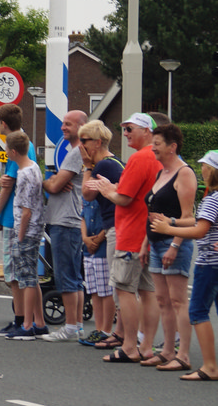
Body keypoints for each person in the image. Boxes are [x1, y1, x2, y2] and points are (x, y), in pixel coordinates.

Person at [89, 112, 162, 363]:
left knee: (124, 289)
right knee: (148, 291)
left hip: (131, 233)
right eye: (125, 129)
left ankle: (130, 346)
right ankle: (146, 346)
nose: (126, 134)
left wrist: (108, 190)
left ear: (147, 131)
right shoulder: (159, 158)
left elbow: (125, 197)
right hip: (149, 234)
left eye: (130, 129)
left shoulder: (140, 158)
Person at [150, 150, 218, 381]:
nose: (202, 170)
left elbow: (200, 230)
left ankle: (210, 367)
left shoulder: (212, 199)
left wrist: (168, 228)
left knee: (197, 311)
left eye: (205, 166)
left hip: (209, 263)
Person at [140, 123, 197, 371]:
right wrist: (145, 243)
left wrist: (174, 243)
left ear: (172, 147)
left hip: (173, 244)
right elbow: (152, 212)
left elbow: (189, 218)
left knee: (177, 300)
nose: (153, 148)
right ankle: (167, 351)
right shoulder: (161, 173)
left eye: (157, 144)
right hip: (155, 243)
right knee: (162, 300)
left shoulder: (184, 173)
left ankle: (183, 355)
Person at [39, 110, 90, 342]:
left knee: (65, 277)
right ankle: (76, 325)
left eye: (68, 124)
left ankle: (69, 326)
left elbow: (55, 186)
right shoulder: (79, 152)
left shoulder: (76, 153)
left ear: (82, 127)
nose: (63, 127)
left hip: (65, 220)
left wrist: (47, 181)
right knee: (74, 276)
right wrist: (55, 180)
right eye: (63, 123)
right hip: (72, 219)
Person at [0, 104, 37, 336]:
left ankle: (21, 320)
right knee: (24, 273)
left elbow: (8, 185)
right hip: (20, 217)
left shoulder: (14, 148)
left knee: (15, 274)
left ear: (3, 123)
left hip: (13, 217)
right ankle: (28, 319)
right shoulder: (27, 145)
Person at [77, 121, 121, 346]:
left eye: (84, 140)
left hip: (111, 230)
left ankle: (107, 330)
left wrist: (87, 166)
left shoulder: (103, 165)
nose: (81, 145)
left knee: (111, 287)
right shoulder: (112, 163)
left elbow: (87, 194)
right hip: (106, 229)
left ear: (97, 142)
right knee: (98, 286)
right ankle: (103, 329)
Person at [3, 130, 47, 339]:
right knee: (33, 278)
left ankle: (27, 325)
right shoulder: (34, 167)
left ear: (13, 151)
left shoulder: (24, 174)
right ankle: (40, 322)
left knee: (27, 279)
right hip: (35, 229)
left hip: (27, 231)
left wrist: (20, 236)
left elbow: (26, 210)